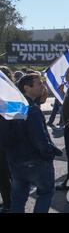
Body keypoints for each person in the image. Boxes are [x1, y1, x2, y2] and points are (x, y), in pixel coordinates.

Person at [7, 74, 62, 213]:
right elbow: (40, 138)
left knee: (18, 199)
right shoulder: (32, 110)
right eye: (38, 83)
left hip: (15, 161)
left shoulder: (11, 107)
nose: (42, 86)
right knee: (46, 193)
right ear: (26, 88)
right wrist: (49, 154)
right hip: (36, 161)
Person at [0, 66, 13, 213]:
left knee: (4, 173)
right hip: (7, 138)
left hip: (4, 139)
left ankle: (9, 203)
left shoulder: (8, 94)